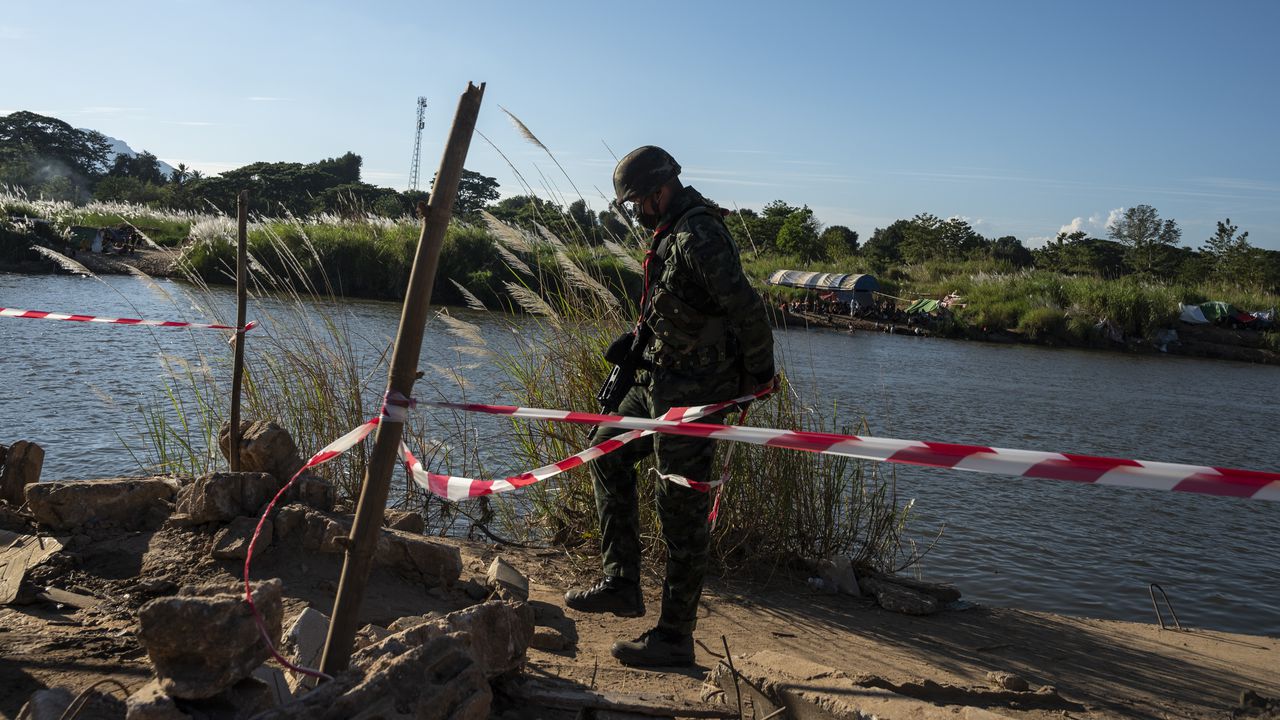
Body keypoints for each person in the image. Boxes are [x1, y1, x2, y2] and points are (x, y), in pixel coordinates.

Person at [564, 146, 776, 667]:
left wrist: (760, 376)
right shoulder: (672, 231)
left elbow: (744, 306)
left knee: (680, 508)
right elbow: (678, 305)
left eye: (638, 200)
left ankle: (674, 637)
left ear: (661, 191)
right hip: (661, 378)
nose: (636, 210)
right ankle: (621, 583)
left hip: (696, 395)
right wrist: (636, 343)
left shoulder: (699, 234)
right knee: (605, 452)